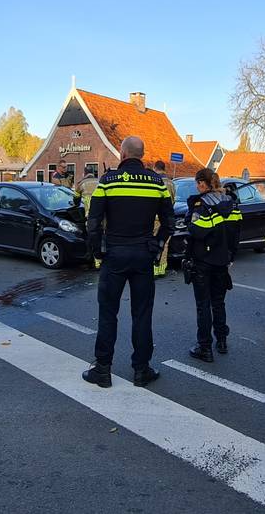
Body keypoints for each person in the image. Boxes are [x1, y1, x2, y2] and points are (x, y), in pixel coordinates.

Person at [83, 137, 173, 388]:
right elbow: (169, 222)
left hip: (114, 254)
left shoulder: (108, 181)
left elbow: (93, 221)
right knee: (142, 315)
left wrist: (98, 251)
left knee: (107, 313)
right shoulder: (157, 183)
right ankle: (141, 370)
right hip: (143, 254)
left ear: (122, 154)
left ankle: (103, 370)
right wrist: (157, 245)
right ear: (142, 155)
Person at [185, 168, 241, 362]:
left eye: (197, 183)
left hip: (203, 261)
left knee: (203, 305)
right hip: (222, 260)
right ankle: (222, 341)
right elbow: (236, 232)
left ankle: (204, 347)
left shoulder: (202, 204)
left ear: (202, 183)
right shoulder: (230, 203)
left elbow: (197, 231)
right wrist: (231, 256)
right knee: (218, 302)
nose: (197, 187)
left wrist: (190, 219)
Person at [151, 160, 177, 277]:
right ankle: (161, 269)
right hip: (168, 218)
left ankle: (153, 268)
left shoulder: (155, 181)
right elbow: (173, 200)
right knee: (164, 244)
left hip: (155, 218)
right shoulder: (171, 183)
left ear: (155, 168)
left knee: (153, 242)